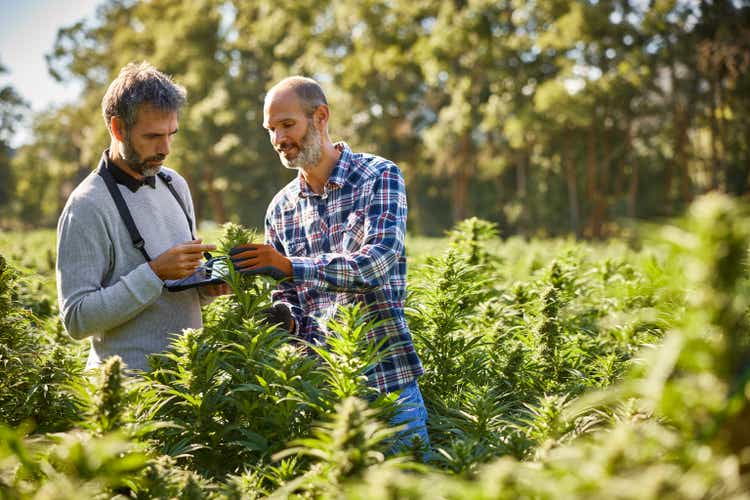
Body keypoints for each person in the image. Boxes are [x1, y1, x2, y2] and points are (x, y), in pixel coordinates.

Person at [230, 76, 429, 453]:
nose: (278, 139)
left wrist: (290, 266)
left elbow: (376, 263)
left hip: (389, 390)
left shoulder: (378, 176)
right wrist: (277, 315)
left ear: (320, 117)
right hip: (323, 398)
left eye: (287, 125)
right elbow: (287, 295)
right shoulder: (280, 208)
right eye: (271, 129)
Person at [56, 62, 225, 372]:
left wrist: (206, 289)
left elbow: (169, 302)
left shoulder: (175, 184)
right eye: (152, 136)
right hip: (129, 397)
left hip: (188, 384)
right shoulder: (86, 205)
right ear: (118, 128)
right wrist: (155, 272)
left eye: (171, 134)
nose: (166, 148)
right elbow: (77, 319)